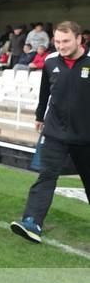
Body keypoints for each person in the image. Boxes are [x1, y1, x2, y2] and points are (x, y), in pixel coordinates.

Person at [11, 21, 90, 243]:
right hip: (55, 132)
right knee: (46, 177)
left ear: (79, 39)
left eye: (66, 41)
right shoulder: (50, 61)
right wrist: (39, 116)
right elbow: (45, 92)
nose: (61, 45)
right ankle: (31, 222)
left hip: (85, 137)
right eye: (57, 41)